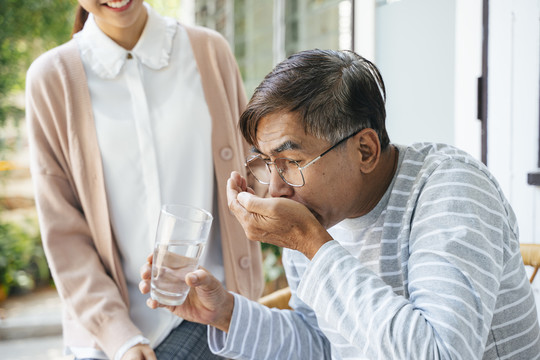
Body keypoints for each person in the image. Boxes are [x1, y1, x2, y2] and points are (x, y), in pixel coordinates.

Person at [139, 49, 540, 359]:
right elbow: (320, 343)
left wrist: (312, 243)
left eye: (292, 162)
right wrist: (225, 312)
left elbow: (440, 352)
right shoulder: (313, 210)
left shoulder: (451, 189)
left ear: (365, 149)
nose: (276, 189)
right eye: (266, 162)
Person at [25, 0, 264, 359]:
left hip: (213, 316)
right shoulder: (51, 78)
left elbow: (254, 167)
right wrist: (119, 336)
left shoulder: (209, 51)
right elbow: (62, 230)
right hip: (111, 339)